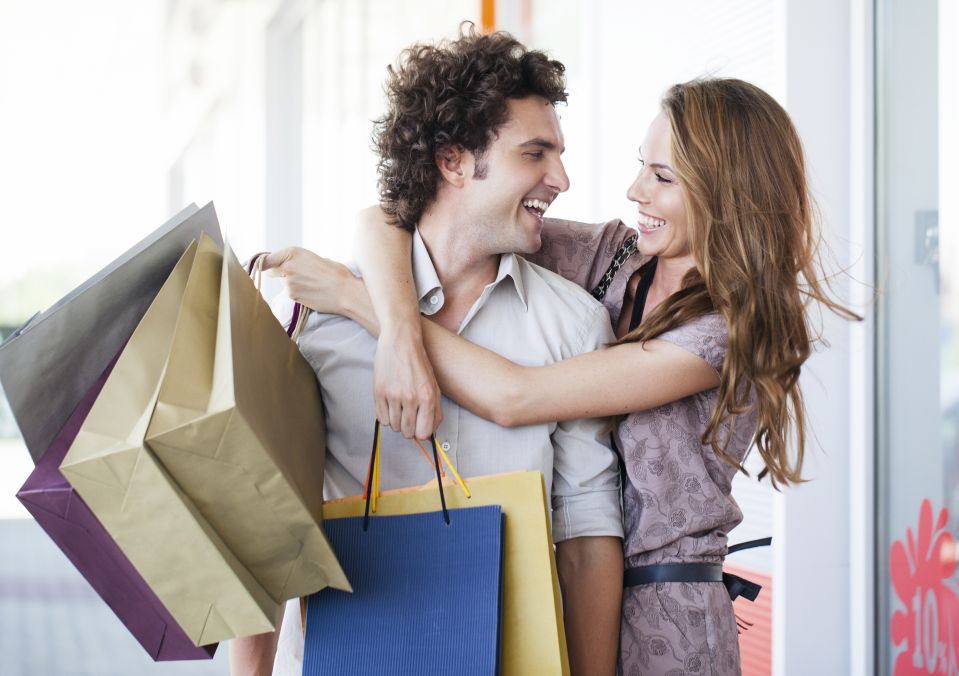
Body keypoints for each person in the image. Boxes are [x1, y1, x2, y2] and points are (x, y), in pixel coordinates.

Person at [289, 77, 859, 674]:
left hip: (671, 616)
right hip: (568, 590)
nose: (635, 190)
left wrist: (363, 307)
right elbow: (410, 219)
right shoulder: (615, 258)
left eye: (662, 178)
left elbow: (515, 397)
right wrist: (396, 330)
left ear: (728, 195)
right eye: (642, 166)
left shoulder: (727, 329)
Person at [229, 26, 625, 676]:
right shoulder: (315, 320)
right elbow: (267, 523)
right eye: (535, 153)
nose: (561, 178)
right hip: (352, 658)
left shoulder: (574, 326)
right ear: (453, 161)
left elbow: (585, 534)